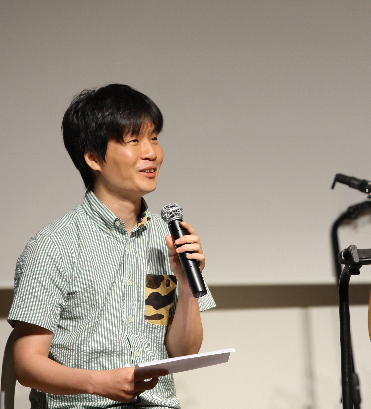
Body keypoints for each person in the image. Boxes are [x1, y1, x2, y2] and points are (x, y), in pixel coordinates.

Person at [8, 84, 216, 408]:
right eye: (134, 140)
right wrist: (99, 383)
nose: (152, 153)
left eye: (154, 138)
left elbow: (183, 351)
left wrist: (187, 285)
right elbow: (26, 365)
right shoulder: (53, 245)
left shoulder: (166, 239)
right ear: (93, 157)